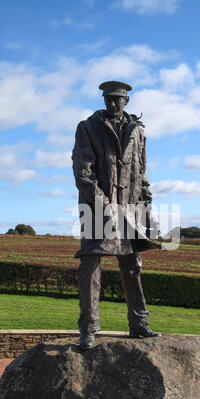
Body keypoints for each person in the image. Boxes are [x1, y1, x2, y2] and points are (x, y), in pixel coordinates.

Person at [72, 80, 161, 350]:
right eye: (107, 98)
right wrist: (102, 202)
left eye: (117, 99)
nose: (112, 103)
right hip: (95, 207)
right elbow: (83, 171)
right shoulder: (88, 128)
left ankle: (139, 324)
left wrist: (147, 206)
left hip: (130, 207)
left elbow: (141, 173)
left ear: (126, 101)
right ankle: (88, 328)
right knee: (90, 266)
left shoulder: (138, 132)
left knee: (132, 267)